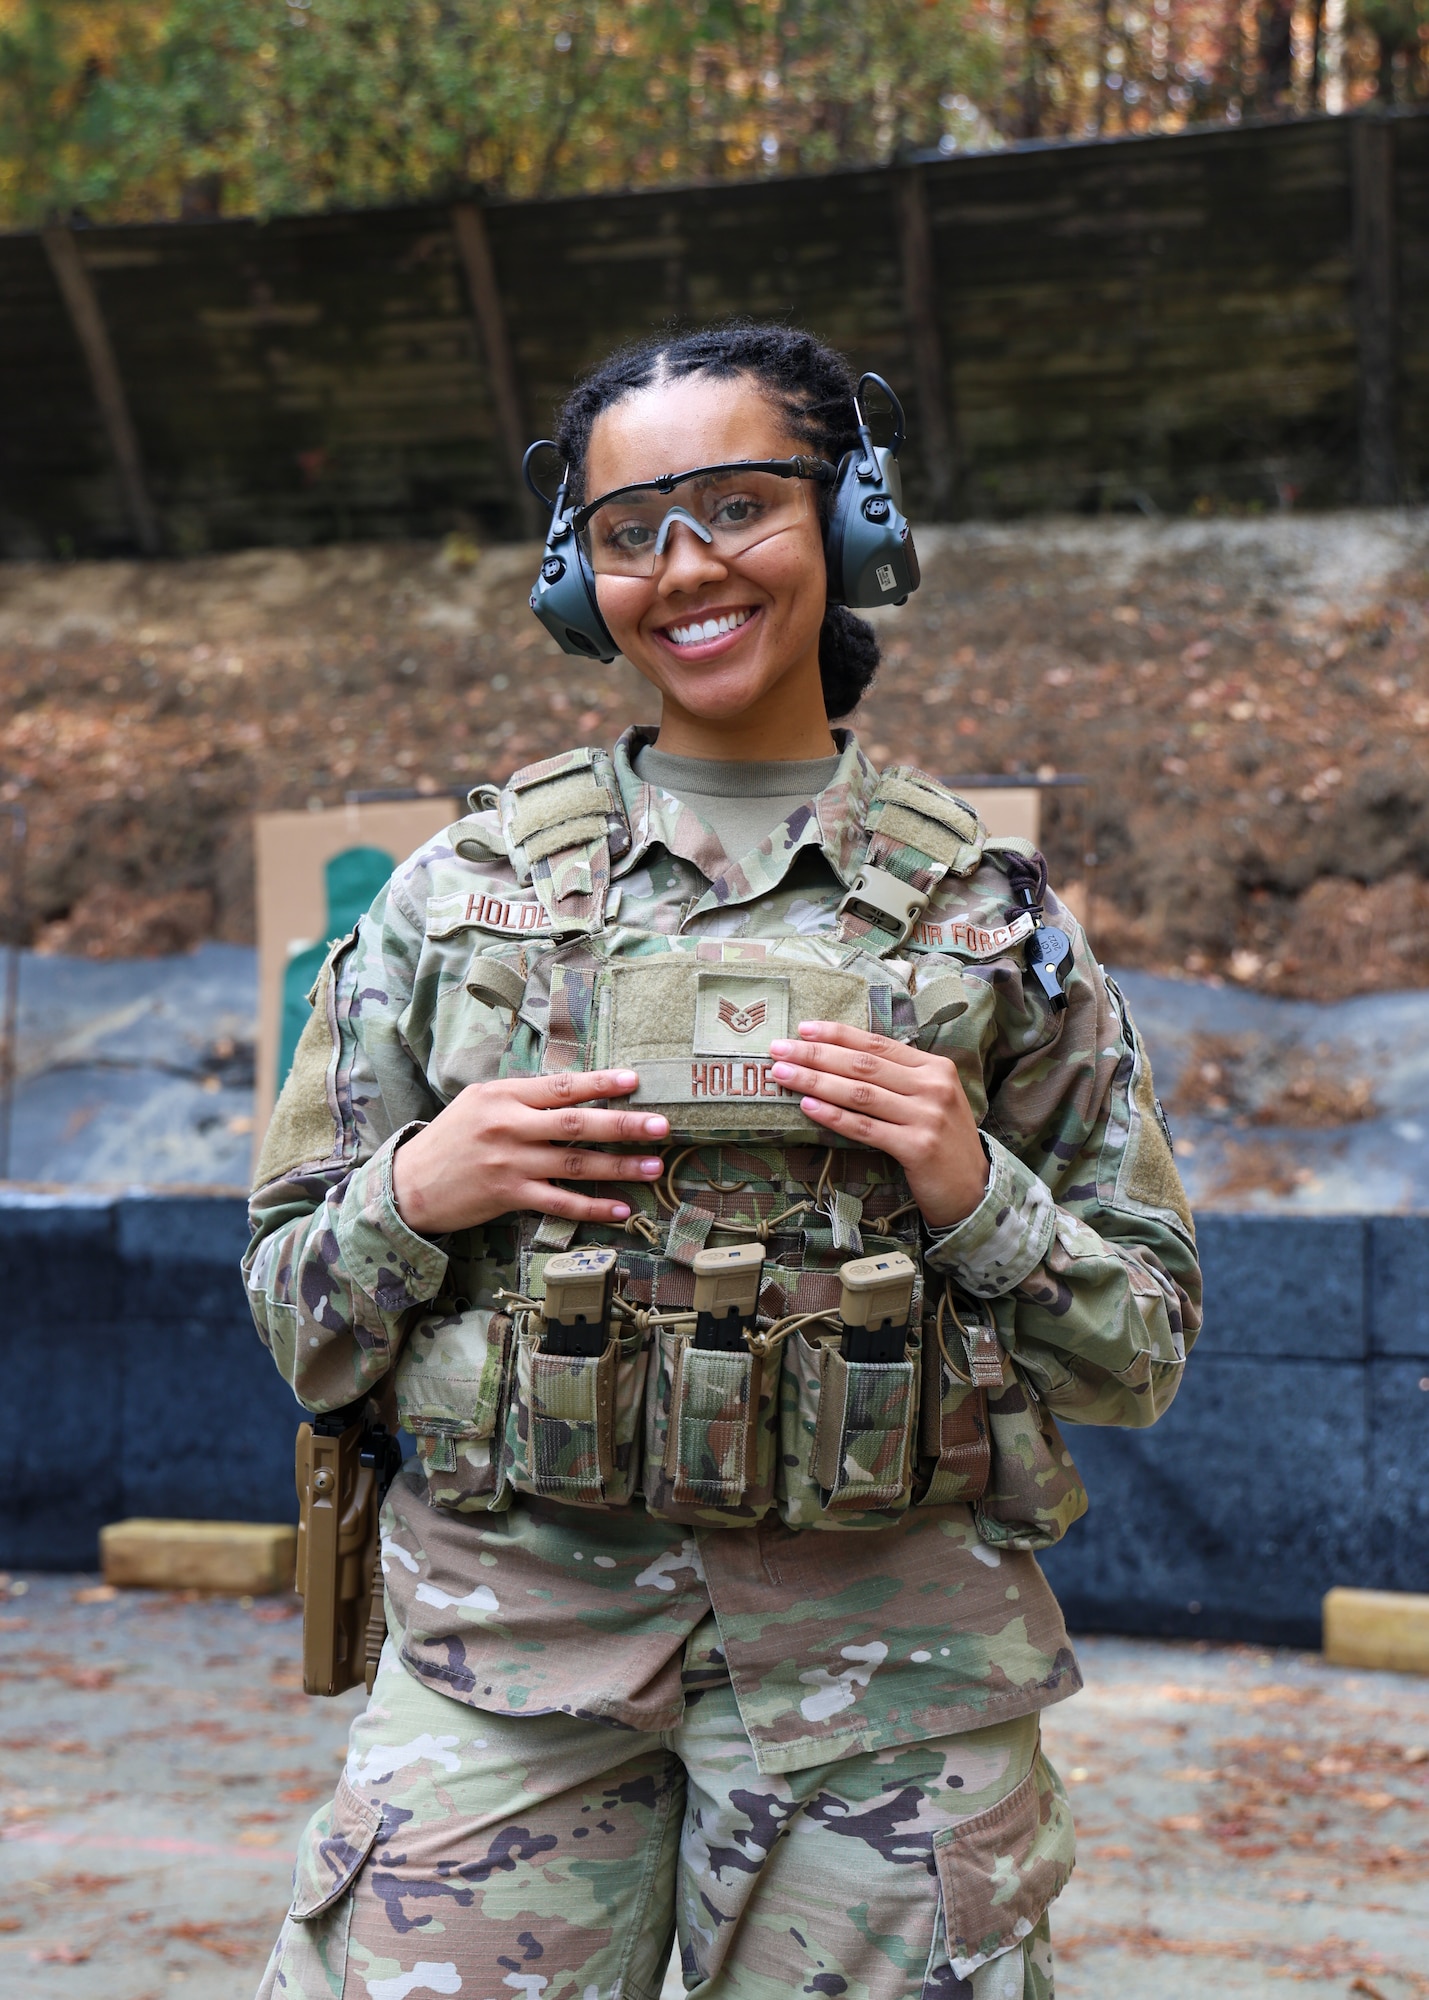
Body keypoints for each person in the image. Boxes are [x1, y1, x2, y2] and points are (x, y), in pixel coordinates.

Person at [246, 322, 1201, 2000]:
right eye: (629, 529)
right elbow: (292, 1316)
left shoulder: (991, 917)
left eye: (740, 505)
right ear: (579, 575)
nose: (686, 566)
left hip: (890, 1694)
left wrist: (977, 1195)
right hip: (507, 1674)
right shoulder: (452, 899)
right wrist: (418, 1192)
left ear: (845, 524)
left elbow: (1143, 1352)